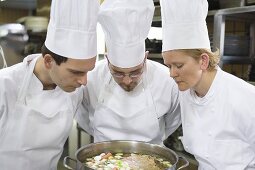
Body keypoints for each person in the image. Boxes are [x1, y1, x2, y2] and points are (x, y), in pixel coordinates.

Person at [0, 0, 99, 169]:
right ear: (48, 61)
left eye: (88, 71)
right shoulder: (4, 86)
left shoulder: (74, 91)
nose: (84, 81)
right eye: (76, 72)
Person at [160, 0, 255, 169]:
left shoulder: (246, 99)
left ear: (203, 61)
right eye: (169, 66)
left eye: (179, 65)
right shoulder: (186, 91)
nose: (172, 74)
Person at [76, 0, 181, 145]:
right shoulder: (91, 78)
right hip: (102, 158)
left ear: (145, 58)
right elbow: (82, 117)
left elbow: (173, 122)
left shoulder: (167, 80)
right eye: (117, 73)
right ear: (107, 60)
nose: (127, 81)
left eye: (135, 72)